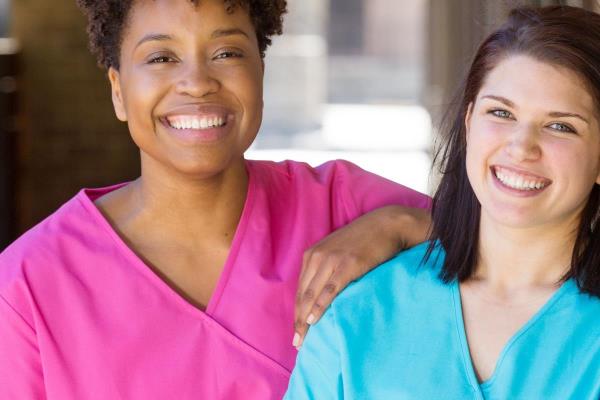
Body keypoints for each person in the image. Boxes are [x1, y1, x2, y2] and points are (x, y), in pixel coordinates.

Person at [0, 0, 431, 399]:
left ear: (260, 71)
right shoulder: (30, 283)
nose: (197, 83)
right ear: (118, 91)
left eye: (227, 52)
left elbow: (491, 243)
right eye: (162, 58)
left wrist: (403, 227)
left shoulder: (345, 208)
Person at [285, 5, 600, 399]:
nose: (521, 147)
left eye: (560, 126)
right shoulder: (359, 314)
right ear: (468, 124)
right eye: (500, 112)